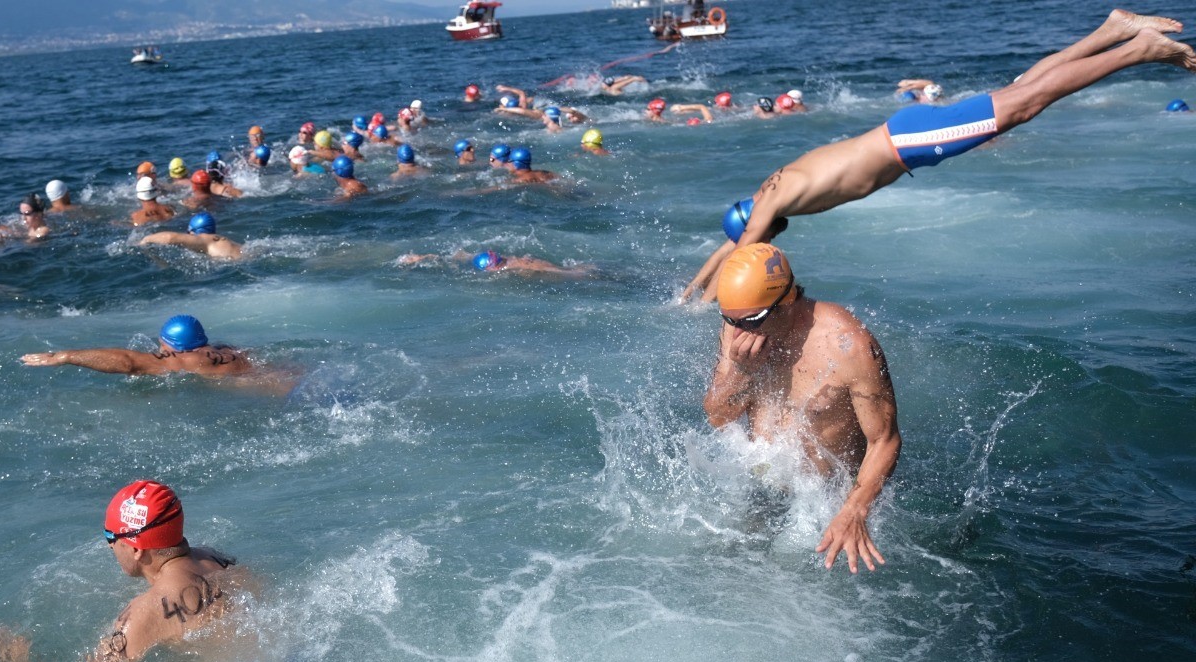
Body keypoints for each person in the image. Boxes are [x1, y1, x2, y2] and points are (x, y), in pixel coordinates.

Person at [685, 10, 1196, 303]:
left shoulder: (774, 203)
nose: (771, 237)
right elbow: (728, 244)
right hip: (905, 135)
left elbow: (740, 251)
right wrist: (686, 293)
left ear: (759, 222)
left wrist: (702, 310)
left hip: (907, 144)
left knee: (1024, 105)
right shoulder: (772, 188)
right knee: (1018, 93)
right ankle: (1112, 31)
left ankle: (1140, 50)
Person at [703, 244, 900, 573]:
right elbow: (717, 416)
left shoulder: (848, 346)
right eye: (729, 319)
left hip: (829, 499)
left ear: (788, 299)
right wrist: (741, 372)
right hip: (765, 485)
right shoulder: (739, 327)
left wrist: (854, 510)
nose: (740, 333)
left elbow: (885, 440)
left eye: (752, 321)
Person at [0, 479, 258, 662]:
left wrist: (16, 661)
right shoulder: (218, 559)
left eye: (110, 535)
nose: (110, 545)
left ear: (137, 549)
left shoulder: (141, 616)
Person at [20, 314, 262, 380]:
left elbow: (129, 363)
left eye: (162, 343)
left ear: (174, 346)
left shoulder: (187, 360)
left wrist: (65, 356)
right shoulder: (226, 349)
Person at [397, 249, 594, 277]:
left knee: (575, 273)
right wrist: (423, 257)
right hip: (574, 268)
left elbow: (560, 272)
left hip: (572, 273)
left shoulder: (515, 266)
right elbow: (461, 255)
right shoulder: (506, 260)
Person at [139, 211, 244, 259]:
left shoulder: (203, 240)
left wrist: (146, 239)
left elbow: (170, 238)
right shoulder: (222, 240)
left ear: (193, 232)